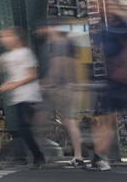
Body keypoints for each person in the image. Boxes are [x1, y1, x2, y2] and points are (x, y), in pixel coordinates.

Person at [92, 0, 127, 171]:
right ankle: (98, 154)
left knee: (108, 119)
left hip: (115, 78)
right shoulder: (99, 23)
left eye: (109, 2)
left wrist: (121, 65)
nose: (105, 5)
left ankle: (100, 155)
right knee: (100, 119)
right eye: (102, 3)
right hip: (101, 77)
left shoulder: (121, 24)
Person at [0, 27, 45, 169]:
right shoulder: (8, 56)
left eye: (6, 36)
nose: (2, 39)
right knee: (24, 128)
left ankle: (38, 156)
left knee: (24, 128)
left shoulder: (26, 53)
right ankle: (35, 156)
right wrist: (5, 85)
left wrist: (12, 86)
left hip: (29, 95)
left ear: (16, 37)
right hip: (18, 97)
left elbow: (32, 75)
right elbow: (15, 75)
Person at [35, 22, 84, 167]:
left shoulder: (57, 44)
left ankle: (77, 155)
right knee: (44, 119)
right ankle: (77, 155)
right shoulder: (62, 43)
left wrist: (50, 82)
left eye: (42, 26)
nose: (39, 30)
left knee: (44, 119)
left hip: (60, 88)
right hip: (63, 87)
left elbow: (58, 66)